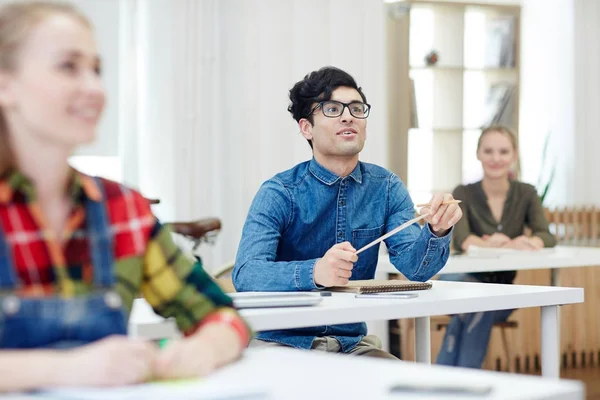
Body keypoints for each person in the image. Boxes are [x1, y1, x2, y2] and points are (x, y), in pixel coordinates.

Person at [0, 2, 249, 392]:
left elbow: (222, 316)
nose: (95, 88)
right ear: (5, 84)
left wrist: (204, 348)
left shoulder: (124, 211)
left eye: (96, 69)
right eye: (68, 66)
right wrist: (63, 369)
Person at [233, 66, 462, 358]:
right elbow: (246, 273)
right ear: (306, 128)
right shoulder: (279, 192)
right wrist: (315, 271)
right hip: (282, 345)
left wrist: (437, 230)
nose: (348, 116)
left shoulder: (387, 187)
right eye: (332, 109)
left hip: (352, 346)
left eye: (356, 108)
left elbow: (417, 269)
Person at [436, 125, 557, 368]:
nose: (496, 158)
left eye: (503, 152)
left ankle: (444, 383)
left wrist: (526, 242)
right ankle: (464, 384)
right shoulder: (463, 193)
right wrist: (488, 243)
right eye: (488, 151)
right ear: (478, 154)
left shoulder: (527, 193)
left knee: (476, 307)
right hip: (458, 281)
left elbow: (546, 235)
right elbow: (462, 239)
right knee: (479, 301)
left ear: (513, 155)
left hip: (503, 292)